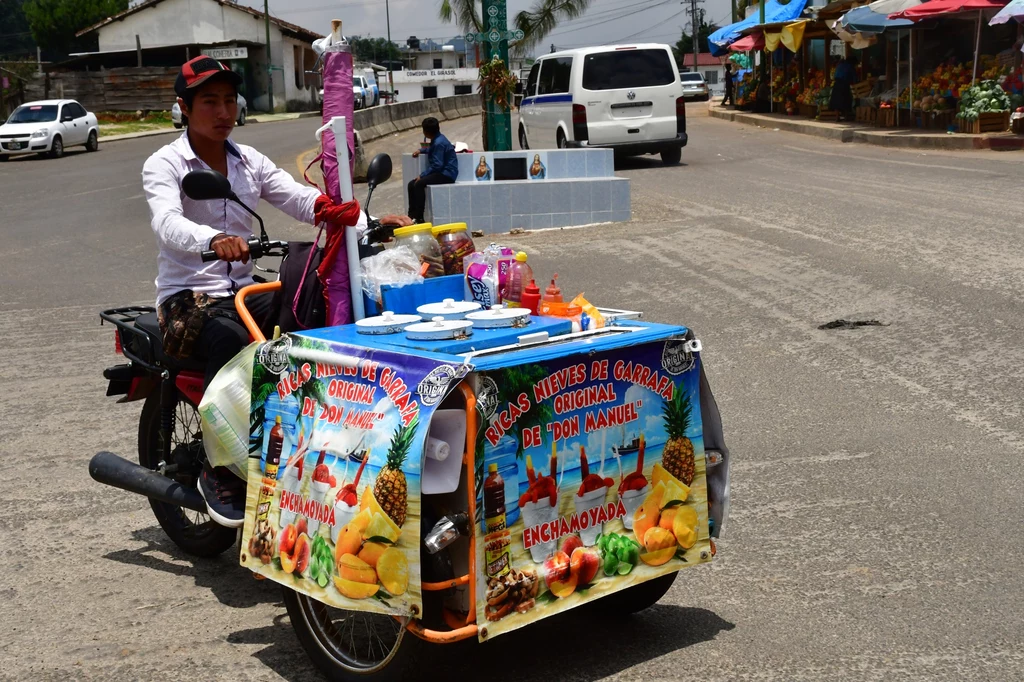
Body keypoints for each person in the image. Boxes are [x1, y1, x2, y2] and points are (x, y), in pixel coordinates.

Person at [142, 56, 364, 527]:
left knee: (313, 307)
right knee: (234, 342)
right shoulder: (164, 163)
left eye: (229, 101)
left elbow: (295, 196)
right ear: (184, 107)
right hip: (188, 297)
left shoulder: (248, 160)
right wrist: (212, 241)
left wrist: (353, 218)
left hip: (241, 289)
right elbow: (166, 221)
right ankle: (219, 467)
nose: (223, 112)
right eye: (209, 101)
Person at [408, 117, 458, 222]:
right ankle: (411, 215)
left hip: (447, 174)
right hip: (442, 172)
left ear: (426, 132)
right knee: (411, 184)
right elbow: (431, 149)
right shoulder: (438, 139)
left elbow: (437, 165)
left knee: (419, 183)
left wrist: (422, 175)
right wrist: (420, 150)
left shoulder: (439, 143)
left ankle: (419, 217)